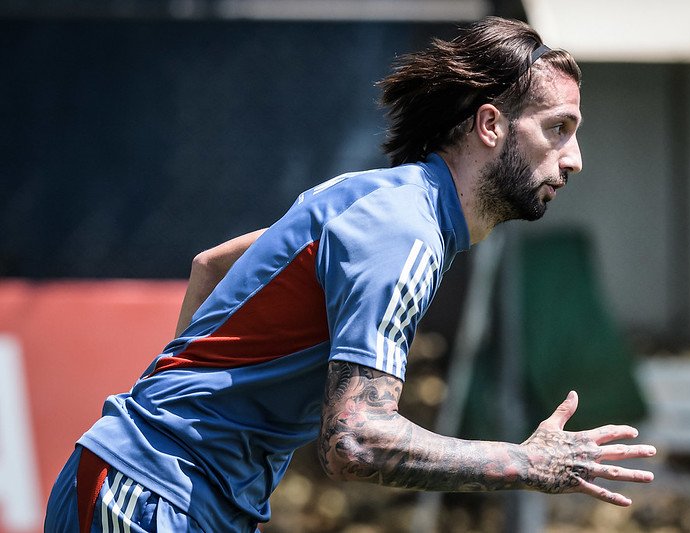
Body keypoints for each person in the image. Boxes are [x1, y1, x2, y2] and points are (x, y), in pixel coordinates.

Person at [45, 16, 656, 533]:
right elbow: (357, 440)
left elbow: (213, 265)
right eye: (557, 129)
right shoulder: (405, 230)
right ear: (490, 126)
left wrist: (185, 423)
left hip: (168, 489)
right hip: (155, 494)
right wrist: (529, 463)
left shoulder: (384, 200)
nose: (575, 159)